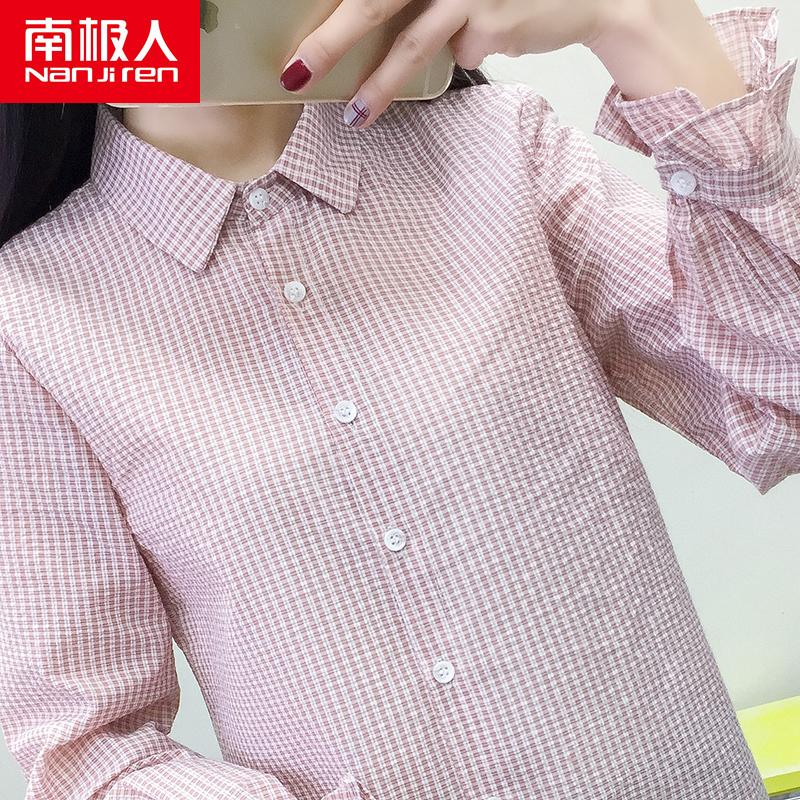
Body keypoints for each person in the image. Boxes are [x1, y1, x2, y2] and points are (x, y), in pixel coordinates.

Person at [0, 1, 797, 798]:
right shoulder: (30, 317)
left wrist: (639, 23)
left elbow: (780, 402)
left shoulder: (502, 149)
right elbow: (90, 751)